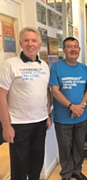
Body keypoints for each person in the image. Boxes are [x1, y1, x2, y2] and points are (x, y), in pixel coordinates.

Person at [0, 27, 52, 180]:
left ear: (39, 44)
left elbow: (46, 92)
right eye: (26, 40)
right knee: (19, 168)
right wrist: (6, 126)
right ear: (21, 44)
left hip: (40, 122)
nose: (30, 44)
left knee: (36, 165)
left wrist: (47, 115)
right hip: (18, 124)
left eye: (34, 40)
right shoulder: (10, 64)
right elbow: (1, 96)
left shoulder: (44, 65)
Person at [49, 37, 87, 180]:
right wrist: (72, 107)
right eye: (69, 46)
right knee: (65, 148)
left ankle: (77, 171)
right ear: (64, 49)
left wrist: (80, 107)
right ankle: (66, 173)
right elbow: (55, 91)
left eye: (75, 47)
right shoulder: (56, 67)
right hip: (63, 117)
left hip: (81, 116)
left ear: (79, 50)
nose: (73, 49)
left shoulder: (84, 68)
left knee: (79, 146)